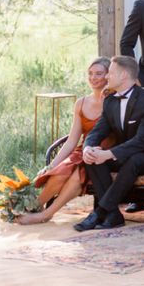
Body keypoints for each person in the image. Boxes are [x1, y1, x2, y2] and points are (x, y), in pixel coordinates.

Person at [74, 55, 144, 231]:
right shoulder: (111, 102)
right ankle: (114, 215)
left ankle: (100, 212)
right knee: (93, 160)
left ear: (124, 75)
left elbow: (142, 141)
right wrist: (88, 148)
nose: (106, 77)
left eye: (110, 73)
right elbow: (97, 131)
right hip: (126, 155)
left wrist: (109, 154)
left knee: (134, 160)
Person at [17, 57, 113, 225]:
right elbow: (71, 140)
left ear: (109, 75)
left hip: (104, 153)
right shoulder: (81, 103)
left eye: (99, 73)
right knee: (60, 171)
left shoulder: (115, 102)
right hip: (82, 150)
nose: (93, 77)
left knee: (77, 175)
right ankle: (32, 207)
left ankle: (46, 214)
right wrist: (51, 165)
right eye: (90, 73)